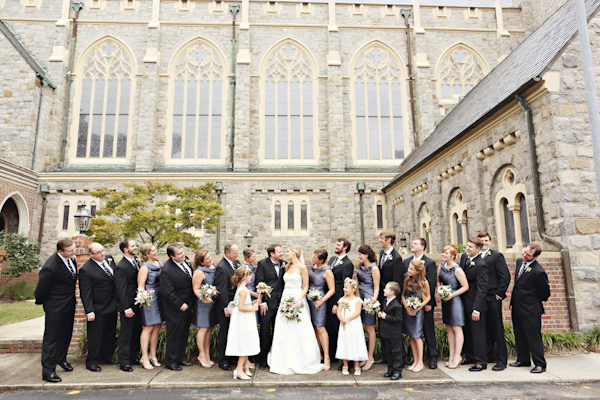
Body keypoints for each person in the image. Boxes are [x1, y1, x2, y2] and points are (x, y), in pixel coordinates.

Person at [267, 245, 323, 374]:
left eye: (288, 251)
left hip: (298, 298)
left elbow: (306, 286)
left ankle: (303, 360)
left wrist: (299, 300)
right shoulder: (286, 266)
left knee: (299, 328)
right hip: (285, 299)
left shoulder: (302, 268)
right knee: (284, 329)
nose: (285, 253)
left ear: (295, 253)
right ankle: (283, 359)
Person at [34, 238, 77, 382]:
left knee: (66, 334)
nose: (74, 252)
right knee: (51, 338)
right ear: (60, 251)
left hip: (69, 304)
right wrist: (43, 302)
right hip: (55, 306)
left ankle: (61, 359)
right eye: (70, 250)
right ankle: (48, 371)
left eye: (74, 249)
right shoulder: (51, 266)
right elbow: (41, 289)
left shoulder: (71, 259)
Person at [509, 244, 551, 374]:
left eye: (528, 255)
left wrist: (531, 299)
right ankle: (523, 359)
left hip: (531, 310)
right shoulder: (519, 262)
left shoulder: (539, 271)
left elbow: (545, 293)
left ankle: (540, 364)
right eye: (524, 252)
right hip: (517, 306)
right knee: (519, 334)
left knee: (533, 337)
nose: (524, 255)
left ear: (535, 256)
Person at [79, 242, 117, 372]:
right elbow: (85, 292)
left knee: (109, 333)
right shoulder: (86, 269)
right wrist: (89, 311)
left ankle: (106, 357)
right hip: (98, 307)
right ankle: (92, 361)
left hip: (112, 305)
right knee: (95, 336)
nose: (102, 254)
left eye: (103, 251)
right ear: (91, 254)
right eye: (98, 252)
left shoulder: (109, 260)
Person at [478, 232, 510, 371]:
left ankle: (502, 360)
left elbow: (505, 276)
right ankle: (489, 355)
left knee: (496, 328)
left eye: (486, 240)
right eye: (482, 240)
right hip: (480, 298)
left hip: (493, 297)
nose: (484, 243)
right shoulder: (474, 256)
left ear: (490, 242)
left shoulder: (496, 256)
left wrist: (499, 294)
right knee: (484, 328)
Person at [403, 238, 438, 369]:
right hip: (410, 303)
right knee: (413, 332)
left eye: (416, 243)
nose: (412, 244)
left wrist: (429, 303)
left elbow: (432, 283)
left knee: (428, 330)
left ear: (423, 247)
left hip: (424, 303)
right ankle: (415, 358)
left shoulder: (429, 262)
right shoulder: (407, 261)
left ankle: (432, 357)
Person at [161, 243, 195, 371]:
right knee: (174, 335)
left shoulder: (185, 262)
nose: (183, 255)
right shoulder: (167, 270)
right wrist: (180, 304)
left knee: (184, 334)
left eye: (183, 252)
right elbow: (167, 292)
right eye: (180, 254)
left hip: (188, 305)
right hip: (175, 309)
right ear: (172, 257)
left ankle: (180, 358)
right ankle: (171, 361)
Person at [226, 266, 261, 379]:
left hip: (243, 317)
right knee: (245, 342)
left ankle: (245, 366)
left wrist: (253, 303)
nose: (251, 277)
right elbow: (241, 307)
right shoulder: (244, 291)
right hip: (243, 319)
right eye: (250, 275)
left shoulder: (241, 289)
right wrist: (254, 308)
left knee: (246, 341)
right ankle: (238, 369)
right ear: (245, 277)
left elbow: (242, 305)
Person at [460, 237, 489, 372]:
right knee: (468, 332)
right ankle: (470, 356)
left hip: (475, 305)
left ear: (478, 249)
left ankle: (481, 361)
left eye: (471, 247)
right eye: (468, 246)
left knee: (478, 334)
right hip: (464, 302)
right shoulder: (464, 259)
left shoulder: (481, 265)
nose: (467, 248)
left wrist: (476, 309)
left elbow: (482, 289)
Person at [437, 244, 468, 369]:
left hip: (455, 300)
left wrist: (451, 295)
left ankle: (457, 356)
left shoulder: (458, 269)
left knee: (457, 328)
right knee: (449, 328)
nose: (443, 255)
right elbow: (438, 280)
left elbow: (465, 286)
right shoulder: (441, 266)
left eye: (446, 253)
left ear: (453, 256)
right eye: (443, 253)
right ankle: (451, 355)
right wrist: (440, 289)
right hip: (445, 301)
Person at [255, 244, 286, 370]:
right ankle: (263, 359)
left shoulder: (285, 264)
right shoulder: (262, 264)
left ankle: (278, 358)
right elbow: (260, 283)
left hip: (282, 303)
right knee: (265, 332)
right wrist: (262, 302)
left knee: (279, 331)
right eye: (279, 252)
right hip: (267, 304)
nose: (282, 253)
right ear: (271, 254)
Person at [326, 238, 354, 367]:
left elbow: (345, 285)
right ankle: (332, 356)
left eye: (338, 245)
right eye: (336, 244)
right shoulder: (332, 260)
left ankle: (344, 359)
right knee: (329, 328)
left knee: (338, 329)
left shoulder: (348, 264)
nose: (336, 246)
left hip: (336, 299)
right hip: (328, 298)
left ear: (345, 247)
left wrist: (338, 304)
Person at [375, 230, 403, 365]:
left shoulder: (396, 258)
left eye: (382, 238)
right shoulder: (381, 254)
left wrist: (394, 301)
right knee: (382, 326)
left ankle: (395, 359)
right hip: (382, 296)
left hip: (391, 298)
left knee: (390, 327)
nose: (380, 240)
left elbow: (397, 281)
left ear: (389, 240)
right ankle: (385, 356)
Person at [115, 238, 142, 372]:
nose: (135, 247)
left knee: (136, 331)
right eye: (132, 246)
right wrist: (126, 307)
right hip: (128, 305)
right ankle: (124, 362)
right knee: (126, 334)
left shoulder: (135, 261)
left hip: (137, 303)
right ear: (126, 249)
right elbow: (121, 289)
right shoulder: (121, 266)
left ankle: (133, 356)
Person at [214, 242, 240, 371]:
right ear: (227, 253)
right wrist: (225, 306)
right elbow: (221, 289)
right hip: (226, 305)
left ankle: (232, 357)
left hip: (235, 303)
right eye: (235, 253)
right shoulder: (221, 267)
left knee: (233, 331)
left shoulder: (235, 263)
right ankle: (223, 360)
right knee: (224, 332)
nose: (237, 255)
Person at [401, 259, 431, 373]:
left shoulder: (424, 282)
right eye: (409, 268)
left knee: (417, 335)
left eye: (411, 269)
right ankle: (415, 360)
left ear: (418, 271)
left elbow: (428, 297)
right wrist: (406, 307)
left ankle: (420, 362)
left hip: (417, 311)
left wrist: (418, 308)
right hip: (408, 309)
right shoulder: (406, 279)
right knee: (411, 336)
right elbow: (403, 295)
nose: (408, 270)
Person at [307, 249, 335, 371]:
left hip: (320, 301)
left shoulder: (327, 271)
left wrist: (321, 300)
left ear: (321, 260)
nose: (312, 259)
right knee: (313, 327)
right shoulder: (313, 267)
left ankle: (327, 357)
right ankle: (317, 354)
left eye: (314, 257)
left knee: (320, 327)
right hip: (310, 299)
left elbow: (332, 289)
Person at [137, 244, 163, 370]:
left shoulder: (159, 263)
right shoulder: (144, 268)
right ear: (147, 254)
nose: (155, 252)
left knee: (157, 327)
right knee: (148, 327)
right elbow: (141, 286)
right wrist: (144, 299)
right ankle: (144, 357)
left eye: (155, 249)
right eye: (153, 251)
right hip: (150, 299)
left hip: (160, 298)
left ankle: (153, 355)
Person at [336, 278, 367, 376]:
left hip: (354, 324)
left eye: (346, 288)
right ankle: (345, 364)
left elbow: (357, 312)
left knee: (355, 342)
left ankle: (356, 365)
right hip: (344, 324)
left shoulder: (357, 300)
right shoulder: (342, 299)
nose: (344, 289)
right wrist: (342, 319)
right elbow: (338, 311)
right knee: (345, 341)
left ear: (354, 289)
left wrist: (348, 319)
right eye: (344, 288)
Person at [192, 249, 218, 368]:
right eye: (207, 259)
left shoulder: (214, 267)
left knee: (210, 329)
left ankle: (207, 354)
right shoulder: (199, 272)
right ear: (202, 262)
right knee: (203, 328)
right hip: (203, 303)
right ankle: (201, 355)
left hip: (213, 302)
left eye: (209, 256)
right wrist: (203, 298)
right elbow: (196, 288)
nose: (210, 259)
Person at [356, 244, 380, 371]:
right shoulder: (360, 266)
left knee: (369, 327)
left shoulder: (374, 268)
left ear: (366, 255)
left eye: (360, 254)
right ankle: (363, 355)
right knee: (361, 327)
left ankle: (370, 357)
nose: (358, 256)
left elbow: (376, 287)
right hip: (359, 298)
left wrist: (373, 302)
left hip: (369, 298)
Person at [378, 282, 404, 380]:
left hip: (394, 333)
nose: (384, 290)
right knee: (388, 351)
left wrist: (386, 317)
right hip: (386, 332)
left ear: (392, 292)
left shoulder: (396, 305)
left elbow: (398, 319)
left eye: (386, 289)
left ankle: (398, 371)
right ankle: (390, 369)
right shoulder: (385, 301)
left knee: (396, 352)